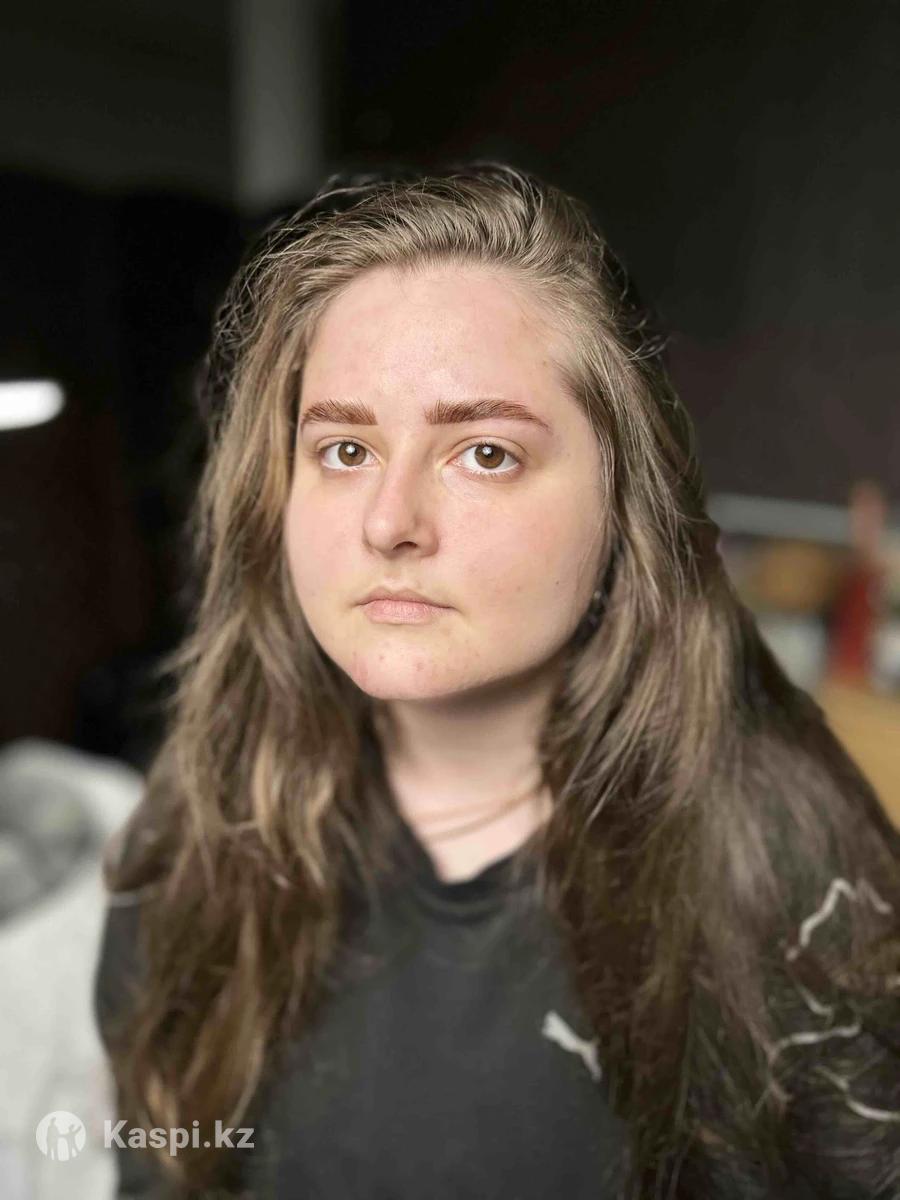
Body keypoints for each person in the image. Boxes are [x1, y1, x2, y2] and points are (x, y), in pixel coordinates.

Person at [92, 162, 900, 1200]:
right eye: (344, 449)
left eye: (483, 453)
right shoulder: (193, 838)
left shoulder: (796, 889)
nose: (389, 522)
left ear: (626, 501)